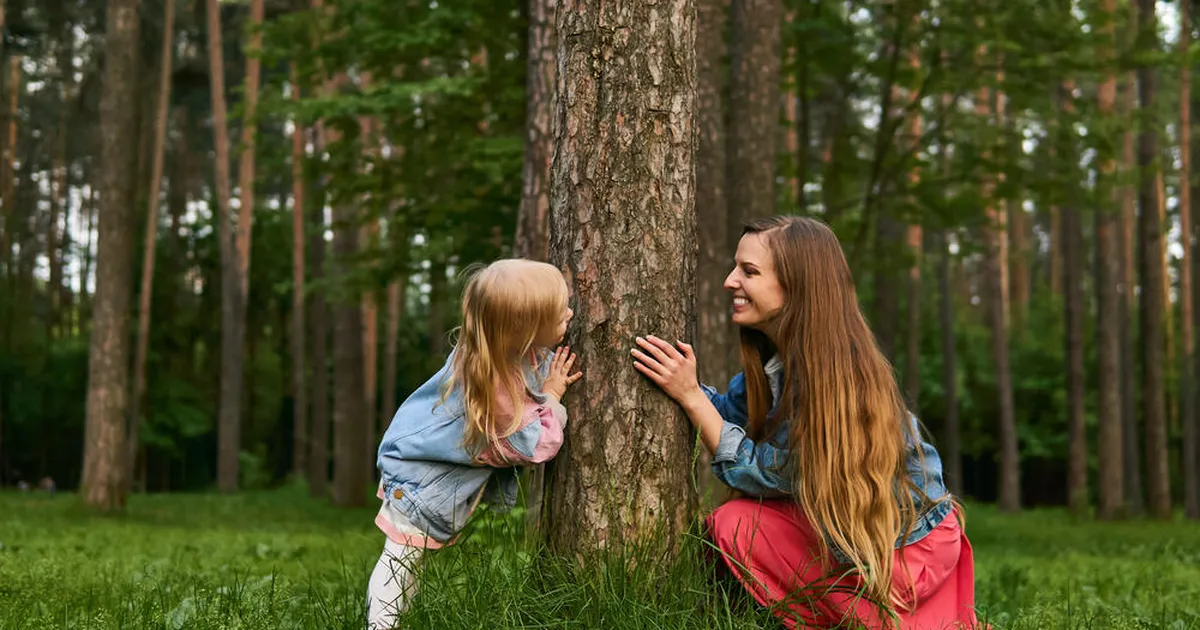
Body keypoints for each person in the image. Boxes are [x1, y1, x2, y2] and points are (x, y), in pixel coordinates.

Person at [632, 216, 980, 629]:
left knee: (734, 524)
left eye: (749, 271)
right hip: (851, 538)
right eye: (735, 267)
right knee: (732, 525)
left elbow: (760, 472)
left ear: (798, 286)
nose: (729, 281)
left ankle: (882, 617)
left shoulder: (838, 385)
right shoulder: (773, 364)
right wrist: (684, 384)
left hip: (903, 551)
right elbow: (726, 419)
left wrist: (691, 397)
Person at [367, 259, 580, 629]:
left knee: (408, 560)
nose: (570, 314)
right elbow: (535, 446)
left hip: (419, 465)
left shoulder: (497, 350)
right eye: (559, 314)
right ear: (526, 329)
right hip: (422, 476)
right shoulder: (495, 382)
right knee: (399, 558)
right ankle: (380, 625)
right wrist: (552, 397)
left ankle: (389, 622)